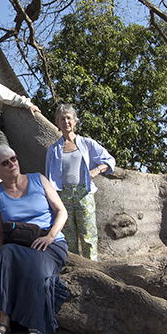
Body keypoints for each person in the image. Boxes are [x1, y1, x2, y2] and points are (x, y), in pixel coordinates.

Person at [0, 144, 69, 334]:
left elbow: (62, 212)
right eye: (5, 163)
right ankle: (3, 321)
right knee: (5, 254)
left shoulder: (38, 179)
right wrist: (1, 261)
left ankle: (36, 325)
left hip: (50, 242)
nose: (12, 164)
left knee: (35, 263)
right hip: (18, 245)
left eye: (14, 159)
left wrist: (50, 236)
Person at [45, 103, 115, 261]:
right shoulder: (54, 149)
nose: (66, 122)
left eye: (69, 118)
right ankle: (75, 268)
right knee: (68, 236)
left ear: (75, 121)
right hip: (63, 195)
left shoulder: (86, 144)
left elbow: (109, 160)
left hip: (84, 193)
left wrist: (96, 170)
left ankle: (93, 268)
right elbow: (49, 176)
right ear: (58, 123)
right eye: (62, 119)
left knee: (88, 235)